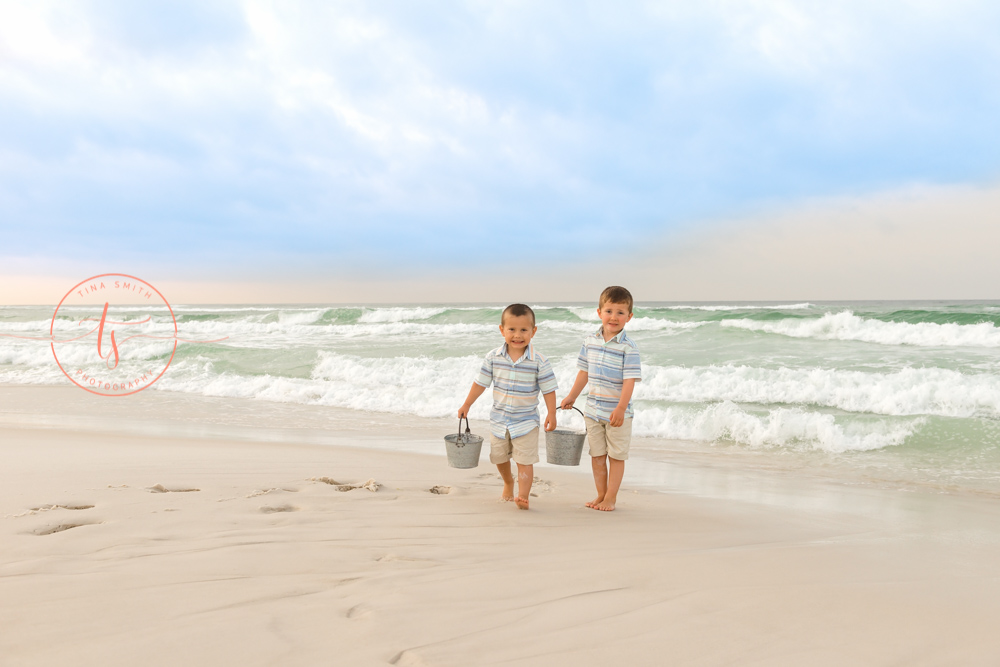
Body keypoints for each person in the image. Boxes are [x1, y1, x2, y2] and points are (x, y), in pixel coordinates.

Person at [458, 303, 557, 510]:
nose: (517, 335)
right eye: (512, 329)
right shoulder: (493, 357)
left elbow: (548, 389)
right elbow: (480, 383)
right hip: (499, 420)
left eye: (524, 330)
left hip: (526, 421)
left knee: (524, 460)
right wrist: (467, 404)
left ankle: (523, 495)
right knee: (499, 457)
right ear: (502, 330)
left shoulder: (539, 361)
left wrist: (551, 414)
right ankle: (508, 482)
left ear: (533, 331)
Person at [560, 286, 641, 511]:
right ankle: (601, 494)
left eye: (620, 312)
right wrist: (572, 396)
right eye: (609, 311)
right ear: (599, 312)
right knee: (597, 456)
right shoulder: (590, 341)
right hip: (593, 411)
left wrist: (621, 408)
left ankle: (611, 498)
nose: (613, 317)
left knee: (616, 457)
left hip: (617, 414)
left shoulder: (629, 347)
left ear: (629, 317)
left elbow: (630, 381)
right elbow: (584, 372)